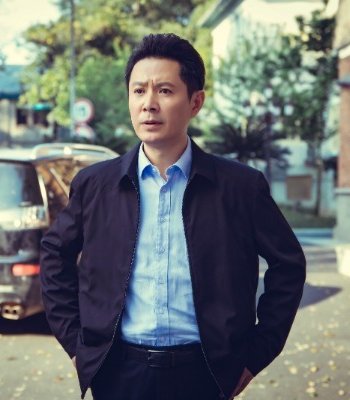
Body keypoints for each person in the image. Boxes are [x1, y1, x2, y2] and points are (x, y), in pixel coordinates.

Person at [40, 33, 306, 400]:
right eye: (138, 91)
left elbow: (288, 264)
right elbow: (54, 255)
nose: (148, 104)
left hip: (205, 375)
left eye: (164, 91)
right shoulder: (95, 184)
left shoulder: (240, 186)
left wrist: (255, 355)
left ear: (195, 102)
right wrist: (77, 346)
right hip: (118, 374)